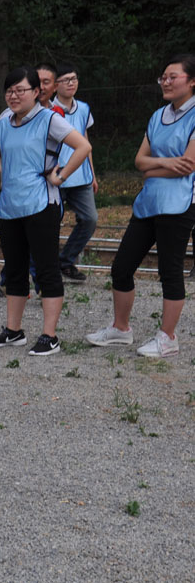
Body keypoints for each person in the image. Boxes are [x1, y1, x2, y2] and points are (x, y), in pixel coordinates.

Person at [86, 54, 195, 358]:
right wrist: (164, 164)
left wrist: (153, 167)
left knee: (170, 272)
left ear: (192, 81)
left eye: (173, 76)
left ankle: (168, 337)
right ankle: (121, 329)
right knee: (121, 266)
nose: (166, 81)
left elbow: (189, 167)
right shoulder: (158, 115)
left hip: (180, 203)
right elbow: (139, 162)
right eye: (164, 76)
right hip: (149, 202)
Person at [0, 66, 92, 356]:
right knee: (15, 269)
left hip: (42, 204)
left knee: (46, 269)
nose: (14, 96)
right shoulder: (4, 122)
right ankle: (13, 331)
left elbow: (82, 146)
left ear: (36, 93)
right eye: (9, 90)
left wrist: (61, 176)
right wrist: (7, 168)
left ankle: (49, 336)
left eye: (20, 90)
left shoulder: (49, 119)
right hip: (9, 206)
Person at [52, 62, 98, 282]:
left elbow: (84, 140)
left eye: (74, 79)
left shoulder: (84, 108)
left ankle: (66, 261)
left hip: (81, 176)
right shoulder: (48, 110)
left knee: (90, 219)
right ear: (55, 84)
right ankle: (45, 268)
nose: (71, 83)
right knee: (49, 223)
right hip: (56, 176)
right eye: (66, 80)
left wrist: (93, 172)